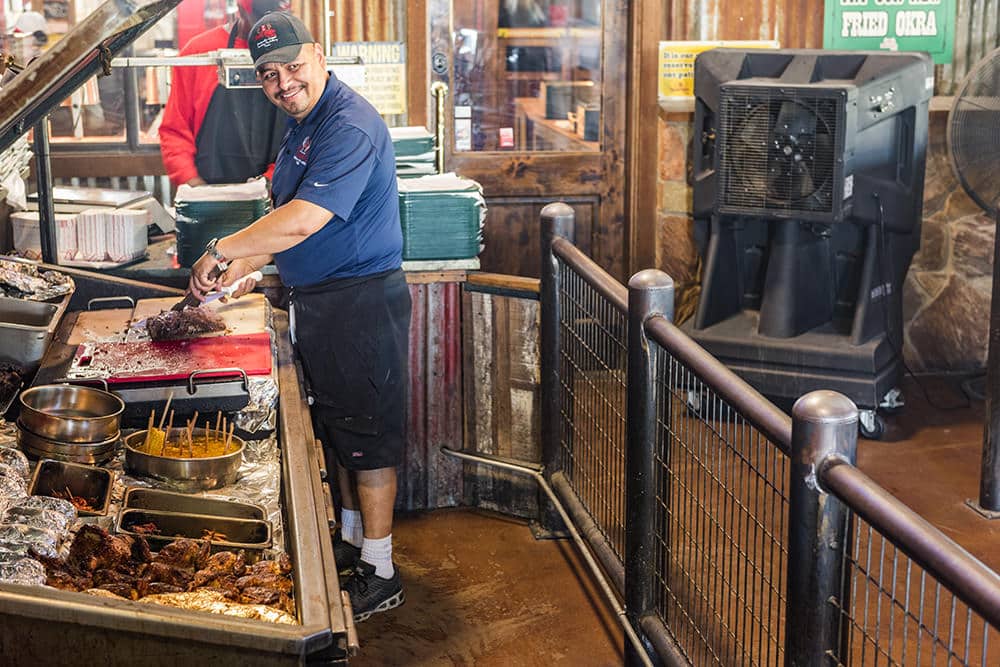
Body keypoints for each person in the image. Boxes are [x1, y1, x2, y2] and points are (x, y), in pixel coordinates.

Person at [187, 12, 410, 623]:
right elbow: (287, 223)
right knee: (340, 433)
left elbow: (308, 217)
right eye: (268, 75)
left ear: (319, 53)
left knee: (367, 438)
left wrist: (224, 249)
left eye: (292, 66)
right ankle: (352, 545)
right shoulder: (302, 126)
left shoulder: (349, 124)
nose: (283, 83)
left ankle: (382, 569)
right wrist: (244, 267)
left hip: (360, 303)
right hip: (322, 300)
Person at [159, 0, 290, 186]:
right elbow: (175, 132)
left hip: (276, 195)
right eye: (260, 18)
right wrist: (194, 186)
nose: (268, 27)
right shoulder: (198, 53)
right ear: (241, 11)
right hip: (208, 193)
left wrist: (269, 183)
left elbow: (301, 136)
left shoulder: (291, 55)